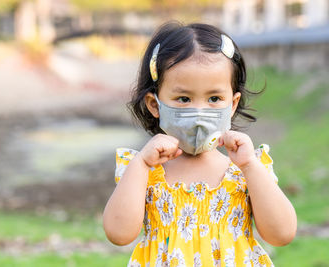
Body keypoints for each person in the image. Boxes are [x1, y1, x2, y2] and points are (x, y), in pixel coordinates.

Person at [103, 21, 297, 267]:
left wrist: (250, 166)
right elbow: (118, 234)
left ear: (233, 104)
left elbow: (282, 234)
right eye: (183, 99)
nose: (199, 111)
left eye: (214, 98)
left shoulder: (245, 170)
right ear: (155, 105)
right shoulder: (145, 172)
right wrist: (141, 165)